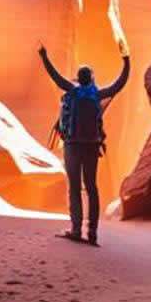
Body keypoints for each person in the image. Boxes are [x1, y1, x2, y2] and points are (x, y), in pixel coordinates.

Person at [38, 41, 130, 245]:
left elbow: (53, 75)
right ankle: (93, 232)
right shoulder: (97, 94)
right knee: (91, 187)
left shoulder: (71, 90)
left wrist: (44, 55)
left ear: (79, 78)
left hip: (72, 145)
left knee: (74, 186)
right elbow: (120, 83)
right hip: (91, 146)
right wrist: (126, 59)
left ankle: (76, 229)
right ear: (91, 79)